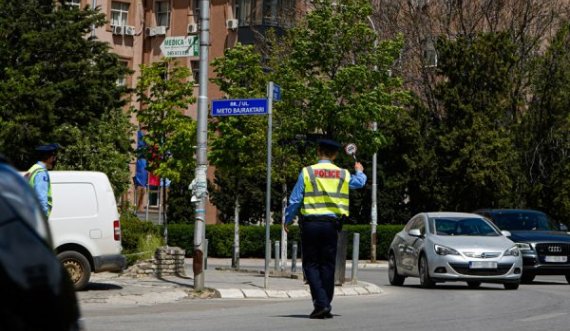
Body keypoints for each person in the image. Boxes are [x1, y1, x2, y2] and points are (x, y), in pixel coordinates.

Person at [284, 138, 367, 319]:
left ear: (318, 151)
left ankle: (321, 303)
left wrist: (288, 219)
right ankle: (324, 304)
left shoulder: (307, 172)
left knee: (311, 265)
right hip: (331, 226)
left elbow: (296, 199)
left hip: (311, 224)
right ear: (335, 154)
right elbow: (359, 183)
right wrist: (359, 171)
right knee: (328, 265)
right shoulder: (342, 173)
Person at [26, 143, 60, 217]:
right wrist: (43, 221)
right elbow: (41, 200)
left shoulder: (33, 169)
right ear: (48, 157)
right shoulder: (41, 173)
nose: (54, 160)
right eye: (54, 157)